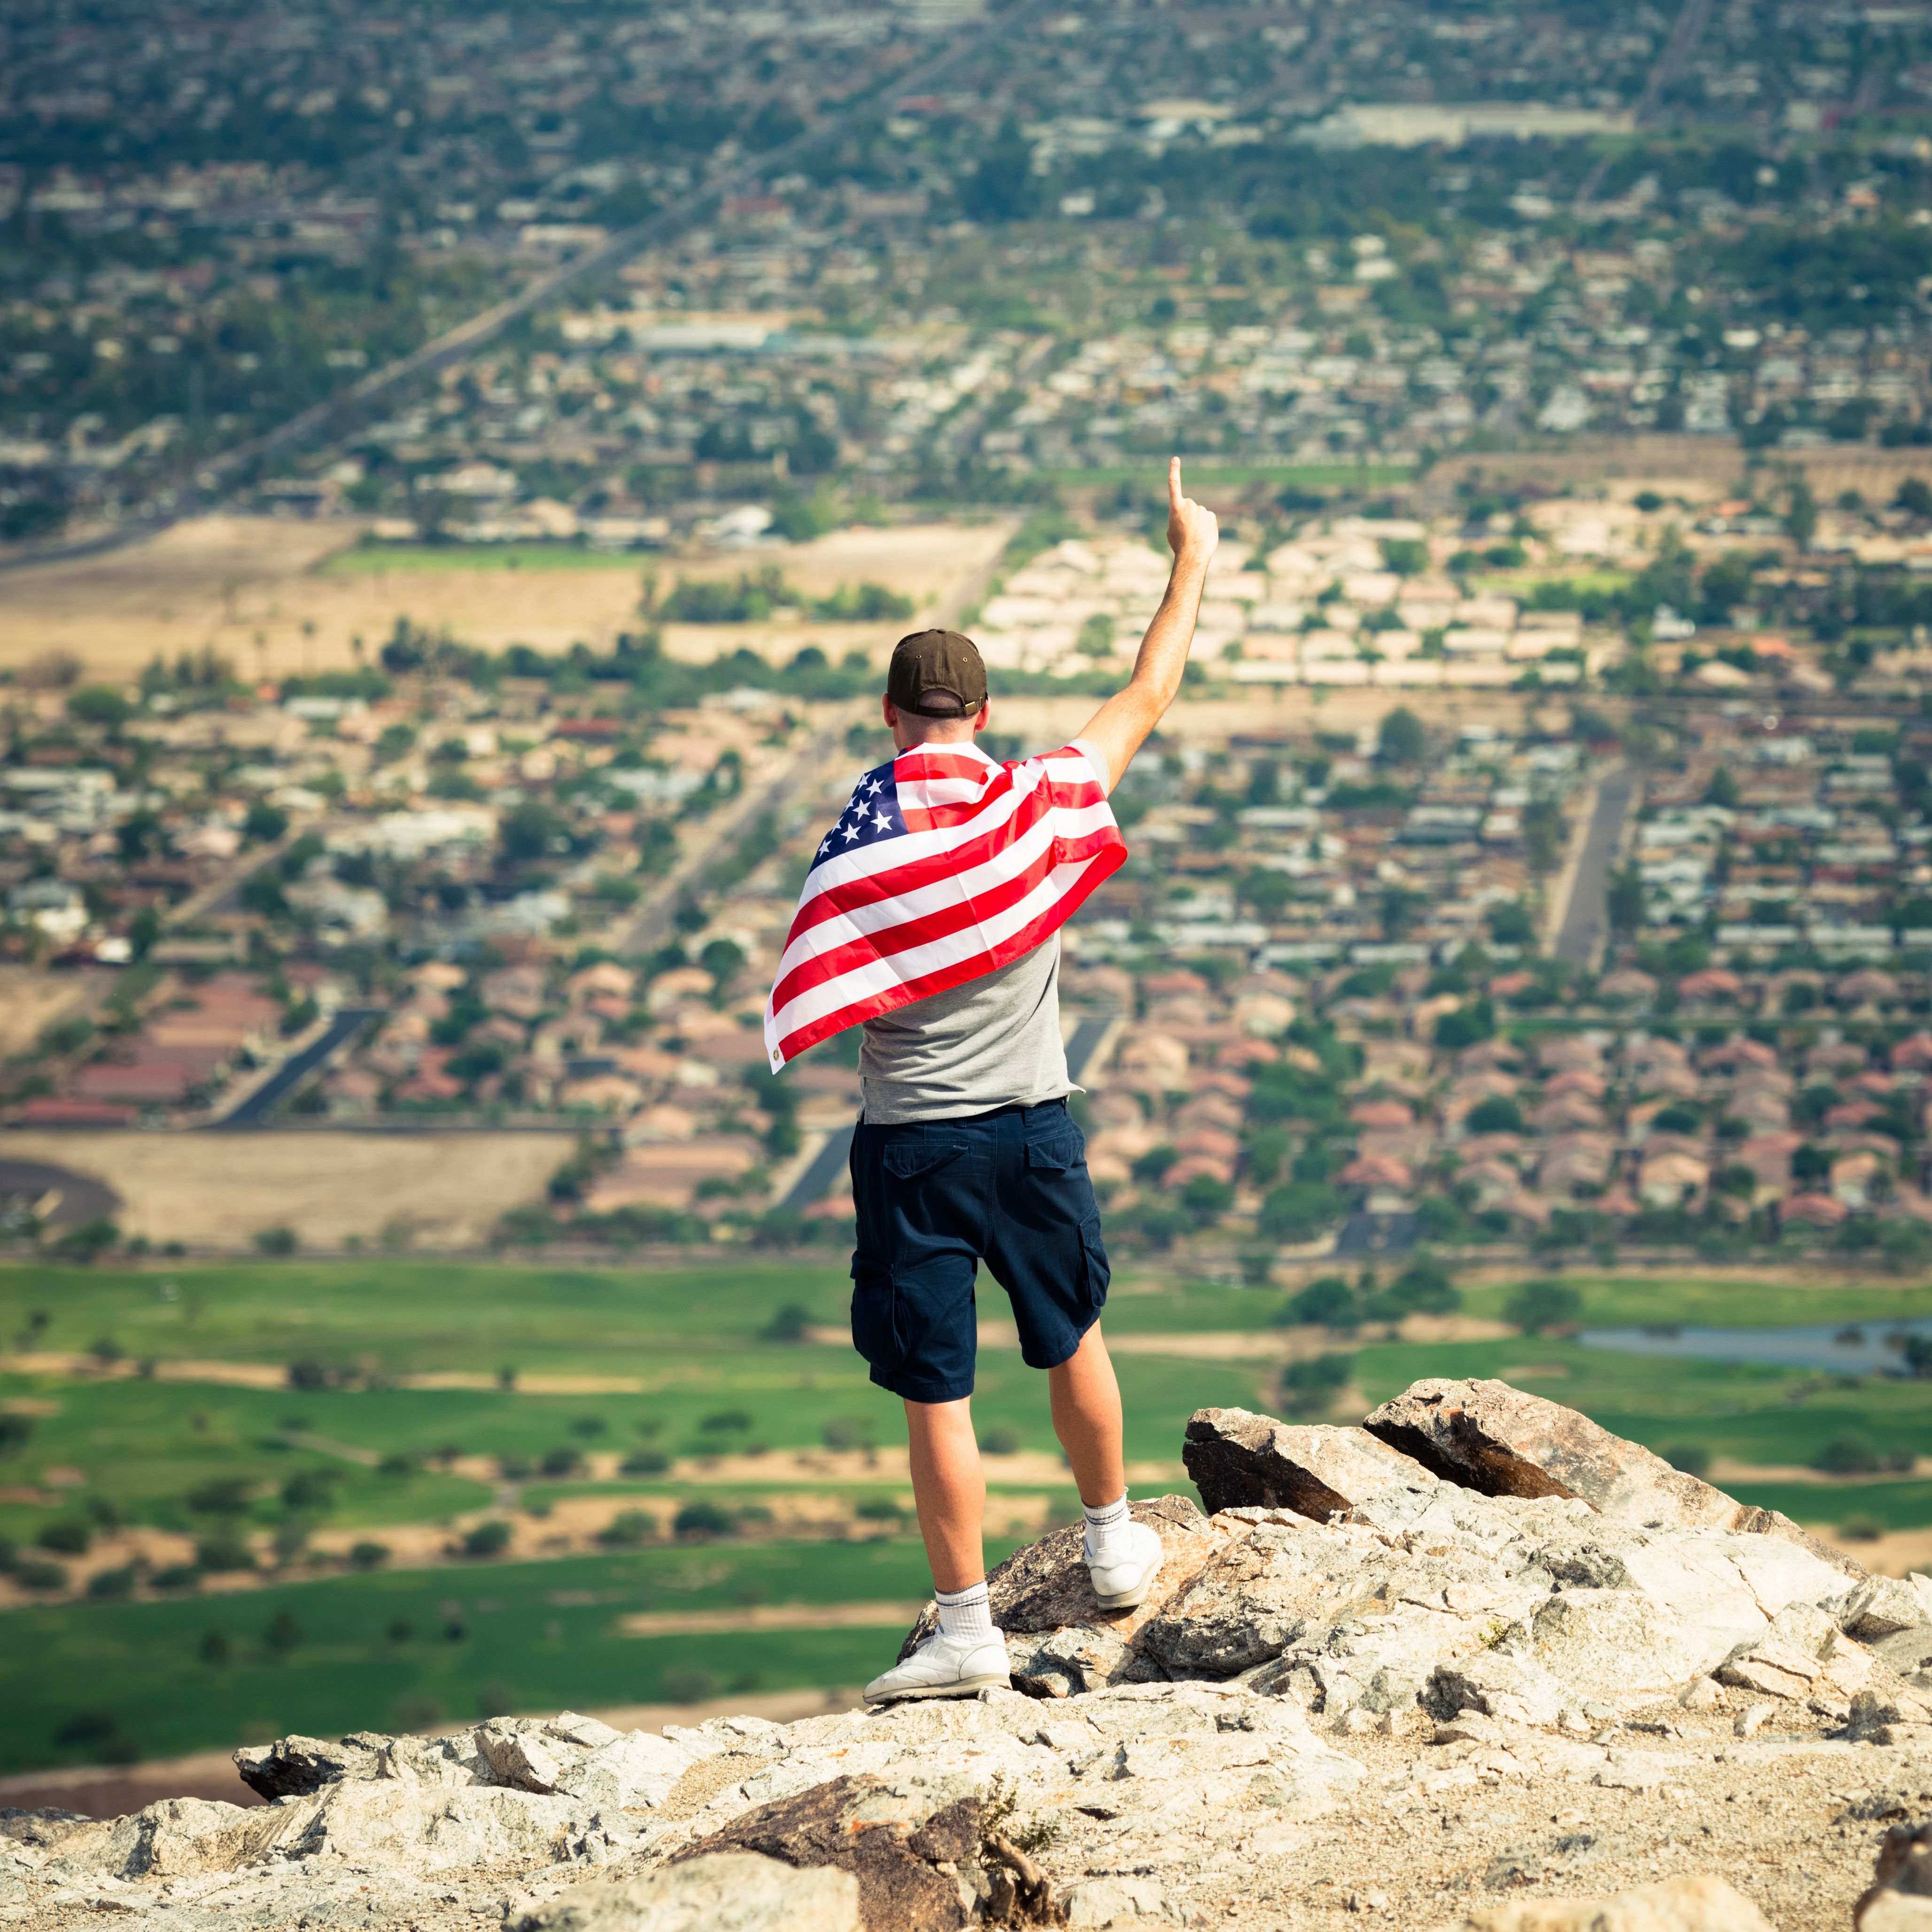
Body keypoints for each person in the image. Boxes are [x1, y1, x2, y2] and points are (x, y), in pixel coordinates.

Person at [819, 459, 1216, 1703]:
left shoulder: (863, 839)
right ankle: (1112, 1544)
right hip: (1034, 1125)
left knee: (935, 1388)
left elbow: (826, 976)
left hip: (912, 1143)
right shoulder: (1039, 803)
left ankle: (964, 1631)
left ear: (892, 715)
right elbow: (1148, 691)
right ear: (982, 714)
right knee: (1071, 1330)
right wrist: (1191, 559)